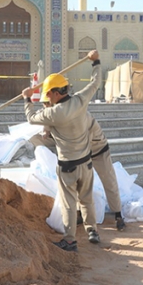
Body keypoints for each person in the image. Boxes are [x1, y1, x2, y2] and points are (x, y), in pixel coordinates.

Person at [22, 50, 101, 252]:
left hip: (68, 167)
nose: (47, 97)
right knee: (87, 199)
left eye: (48, 93)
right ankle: (92, 231)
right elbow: (95, 83)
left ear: (56, 93)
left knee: (69, 203)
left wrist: (27, 99)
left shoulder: (53, 113)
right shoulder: (81, 100)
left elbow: (31, 118)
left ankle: (70, 240)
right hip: (86, 162)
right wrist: (96, 62)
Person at [36, 95, 125, 232]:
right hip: (81, 153)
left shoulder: (79, 115)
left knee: (109, 180)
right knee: (78, 183)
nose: (46, 107)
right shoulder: (57, 114)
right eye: (45, 105)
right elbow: (46, 124)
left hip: (98, 150)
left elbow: (81, 140)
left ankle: (118, 215)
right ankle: (80, 214)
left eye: (48, 104)